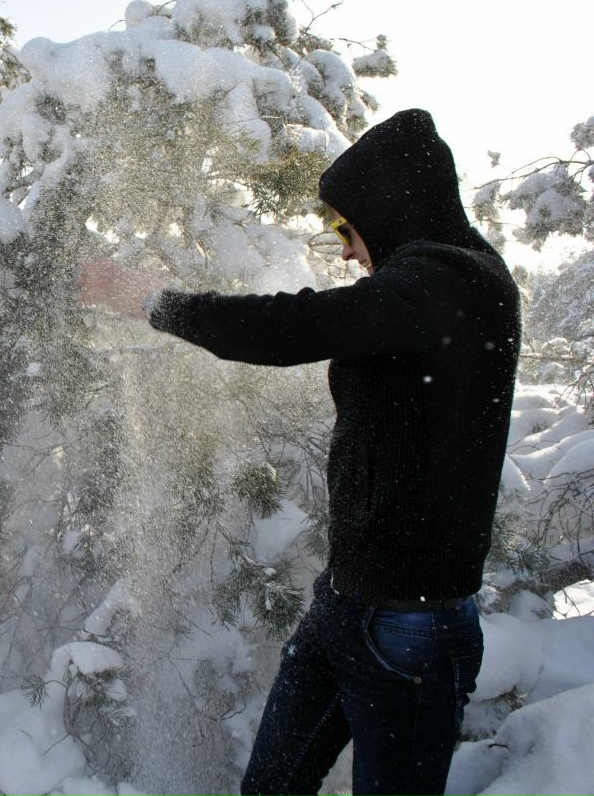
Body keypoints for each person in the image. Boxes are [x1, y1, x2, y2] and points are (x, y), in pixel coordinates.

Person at [93, 109, 519, 795]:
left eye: (343, 227)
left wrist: (154, 302)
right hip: (344, 606)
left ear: (389, 208)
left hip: (411, 630)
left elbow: (294, 327)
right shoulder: (427, 286)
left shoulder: (454, 281)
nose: (345, 249)